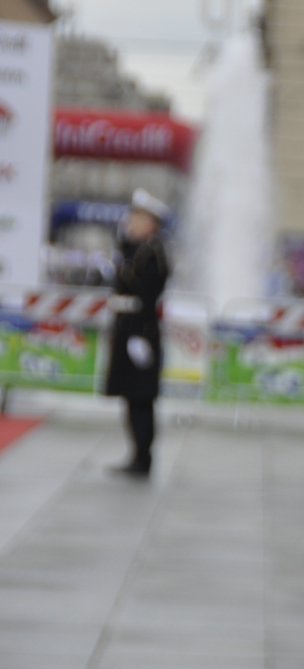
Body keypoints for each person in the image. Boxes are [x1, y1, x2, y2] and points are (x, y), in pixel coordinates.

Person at [103, 189, 171, 479]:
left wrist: (140, 337)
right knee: (130, 396)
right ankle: (136, 454)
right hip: (128, 326)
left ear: (152, 223)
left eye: (139, 218)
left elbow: (146, 293)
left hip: (140, 329)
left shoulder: (152, 252)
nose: (132, 222)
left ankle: (143, 457)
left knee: (141, 397)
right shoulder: (136, 249)